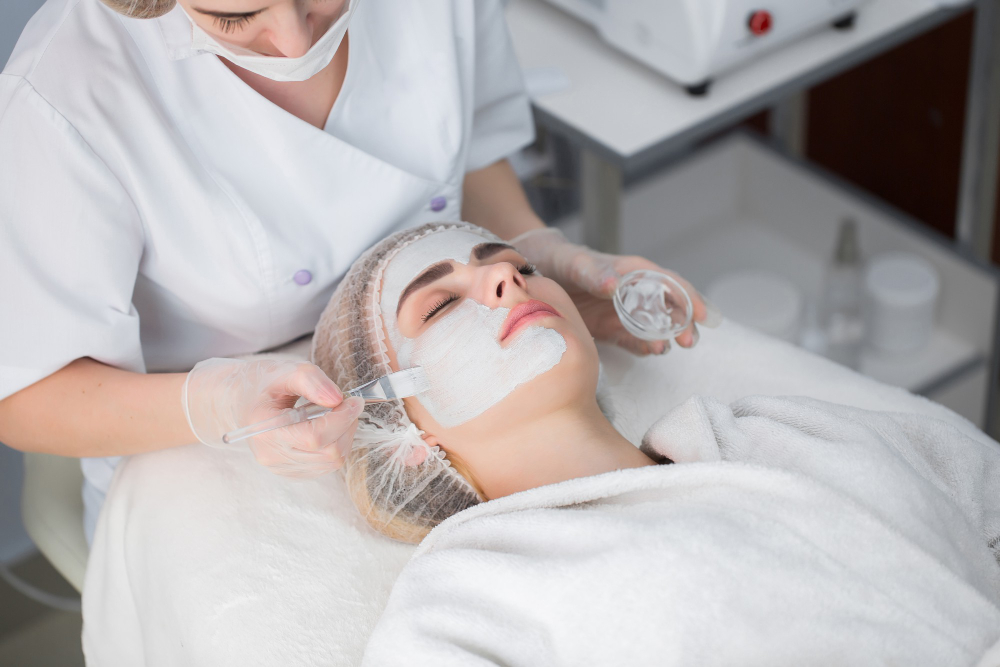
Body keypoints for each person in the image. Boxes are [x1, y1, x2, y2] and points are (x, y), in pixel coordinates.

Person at [0, 0, 714, 543]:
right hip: (198, 452)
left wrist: (540, 247)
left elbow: (471, 141)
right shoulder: (64, 97)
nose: (293, 40)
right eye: (234, 17)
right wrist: (212, 402)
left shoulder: (741, 445)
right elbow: (23, 394)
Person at [313, 222, 1000, 664]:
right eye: (441, 303)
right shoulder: (467, 597)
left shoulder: (773, 431)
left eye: (518, 264)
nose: (509, 278)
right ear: (399, 435)